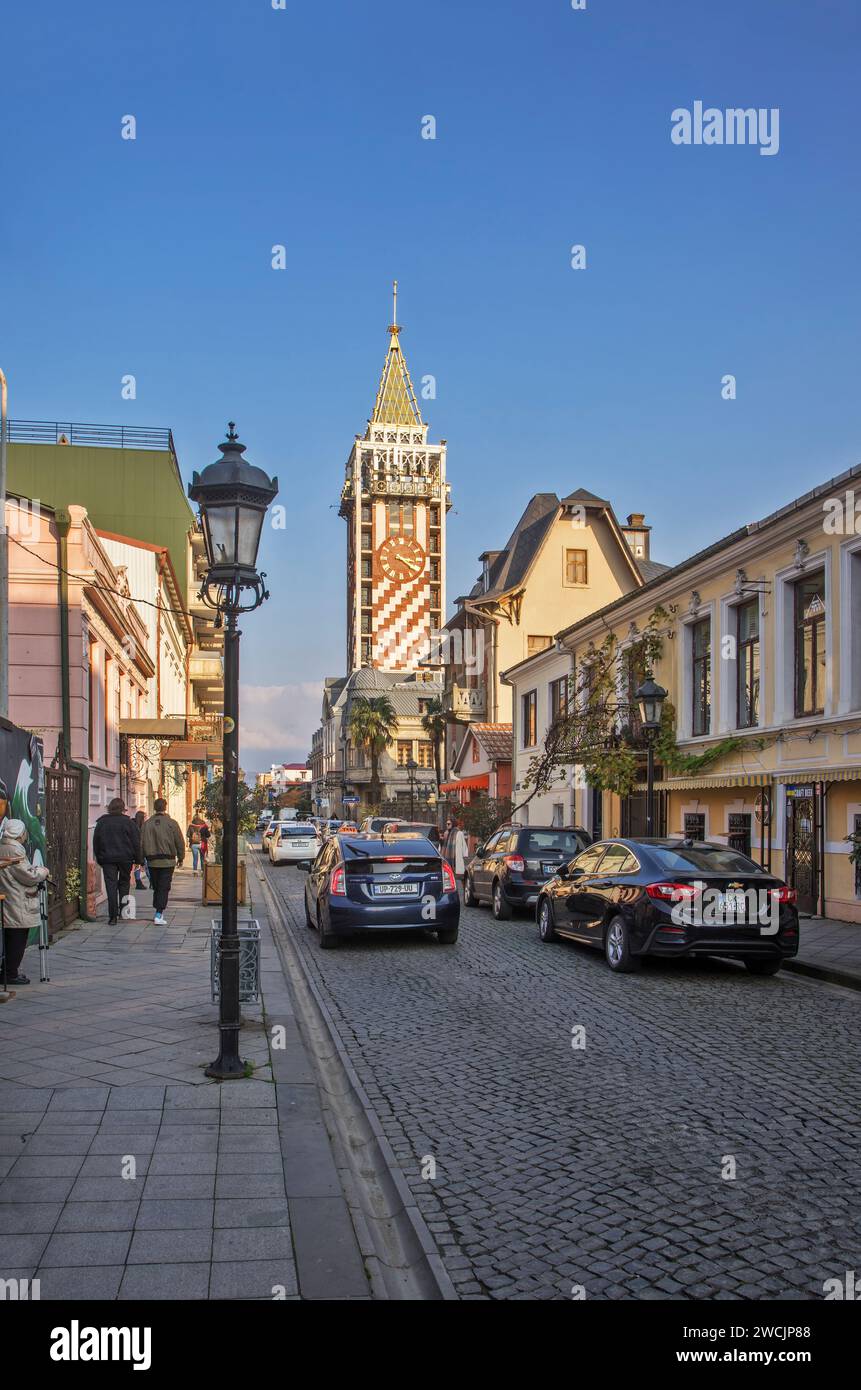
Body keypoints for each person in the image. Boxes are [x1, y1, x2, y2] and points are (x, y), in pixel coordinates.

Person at [0, 819, 50, 985]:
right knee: (18, 936)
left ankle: (7, 971)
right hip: (18, 898)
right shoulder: (14, 850)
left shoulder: (3, 845)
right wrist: (43, 871)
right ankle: (10, 973)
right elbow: (29, 876)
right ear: (20, 833)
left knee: (11, 936)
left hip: (9, 896)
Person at [92, 797, 141, 925]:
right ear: (122, 808)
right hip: (125, 859)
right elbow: (136, 842)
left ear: (110, 808)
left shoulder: (102, 822)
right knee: (124, 884)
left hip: (108, 859)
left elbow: (96, 842)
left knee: (110, 886)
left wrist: (99, 858)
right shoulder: (129, 823)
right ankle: (123, 912)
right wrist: (138, 860)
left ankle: (112, 917)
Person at [141, 798, 185, 925]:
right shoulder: (172, 823)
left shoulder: (147, 824)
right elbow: (179, 841)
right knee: (164, 887)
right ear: (165, 807)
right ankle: (159, 913)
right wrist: (181, 857)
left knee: (156, 886)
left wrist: (141, 859)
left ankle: (158, 910)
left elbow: (141, 842)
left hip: (152, 861)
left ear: (155, 807)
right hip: (168, 861)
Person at [449, 820, 470, 899]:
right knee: (458, 878)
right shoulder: (454, 833)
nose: (447, 825)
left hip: (454, 858)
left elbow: (463, 845)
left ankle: (460, 893)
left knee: (457, 878)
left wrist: (464, 854)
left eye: (449, 824)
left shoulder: (455, 833)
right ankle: (462, 894)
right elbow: (463, 845)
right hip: (454, 859)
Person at [133, 809, 148, 890]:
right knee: (146, 866)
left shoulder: (134, 825)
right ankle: (152, 882)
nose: (146, 818)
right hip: (140, 850)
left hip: (136, 850)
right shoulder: (142, 828)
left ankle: (138, 882)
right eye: (145, 817)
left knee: (137, 866)